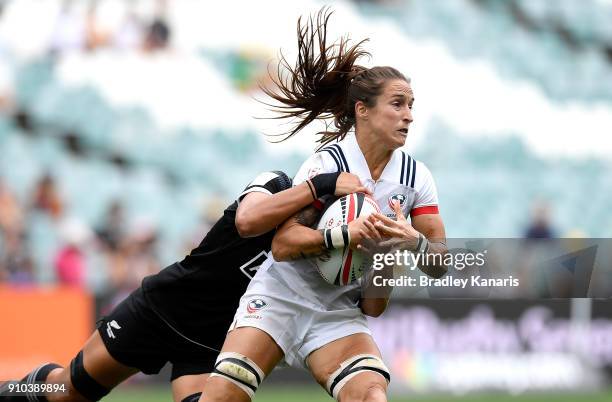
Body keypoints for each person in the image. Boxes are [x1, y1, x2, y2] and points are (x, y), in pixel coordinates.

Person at [198, 9, 448, 402]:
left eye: (412, 105)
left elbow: (432, 267)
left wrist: (404, 247)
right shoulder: (328, 165)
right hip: (281, 294)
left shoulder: (417, 179)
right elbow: (282, 245)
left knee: (372, 396)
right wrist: (344, 235)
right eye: (398, 104)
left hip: (336, 310)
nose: (409, 116)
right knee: (223, 394)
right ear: (362, 110)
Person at [0, 169, 369, 402]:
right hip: (161, 310)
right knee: (68, 391)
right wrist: (319, 184)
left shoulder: (324, 247)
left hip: (209, 344)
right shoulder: (276, 184)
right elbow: (246, 221)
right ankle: (14, 390)